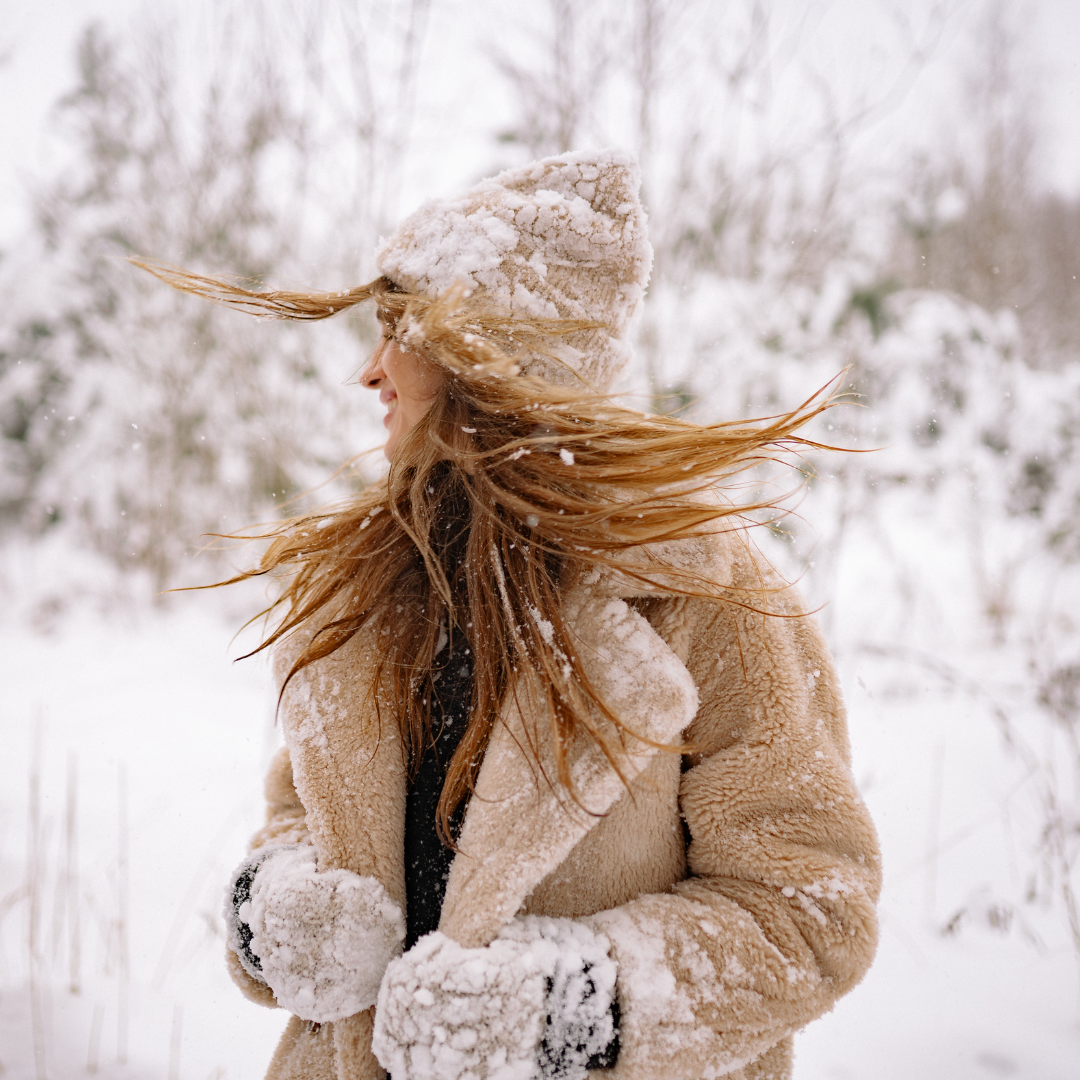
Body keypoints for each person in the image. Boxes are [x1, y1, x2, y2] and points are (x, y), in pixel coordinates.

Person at [140, 149, 880, 1080]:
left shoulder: (703, 597)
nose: (370, 373)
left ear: (489, 354)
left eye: (397, 331)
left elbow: (810, 909)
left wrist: (563, 1013)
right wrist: (277, 912)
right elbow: (297, 817)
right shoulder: (374, 592)